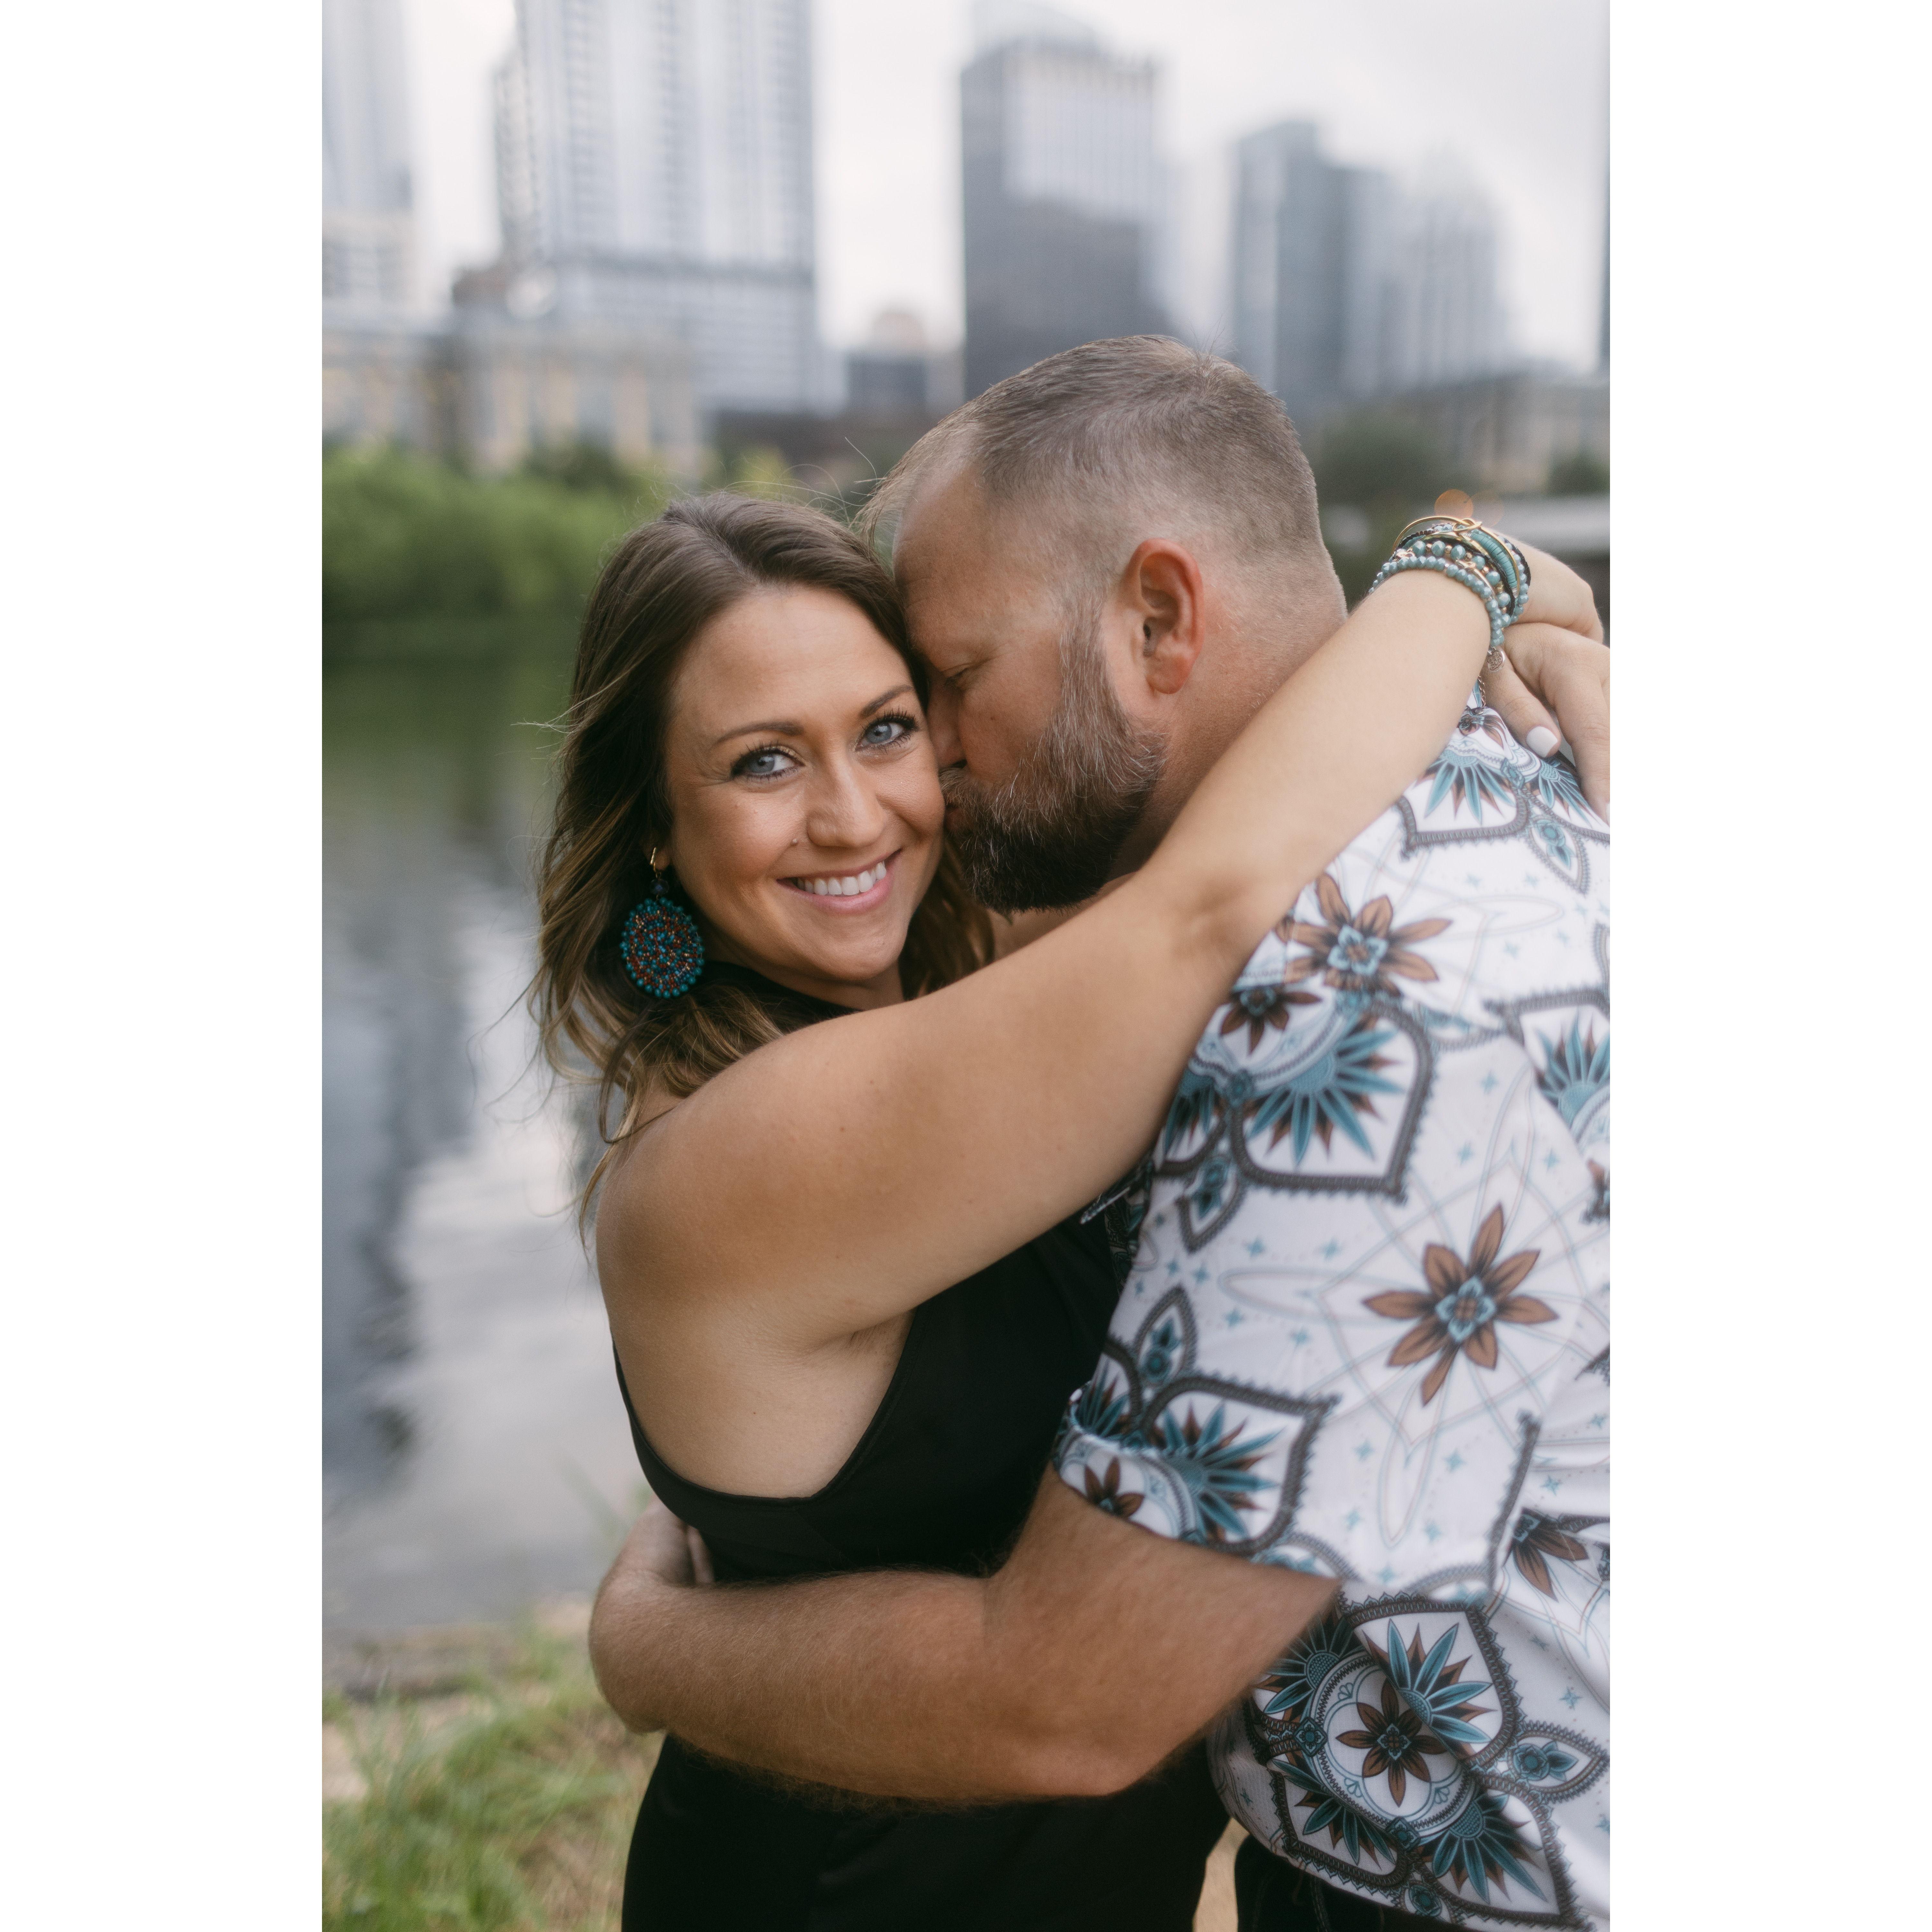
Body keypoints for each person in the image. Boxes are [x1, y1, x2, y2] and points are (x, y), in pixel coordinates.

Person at [585, 339, 1612, 1932]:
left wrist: (1537, 602)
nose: (862, 813)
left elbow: (1215, 830)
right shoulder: (752, 1140)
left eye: (903, 717)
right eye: (762, 763)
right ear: (657, 823)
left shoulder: (988, 985)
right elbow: (1213, 899)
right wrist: (1468, 564)